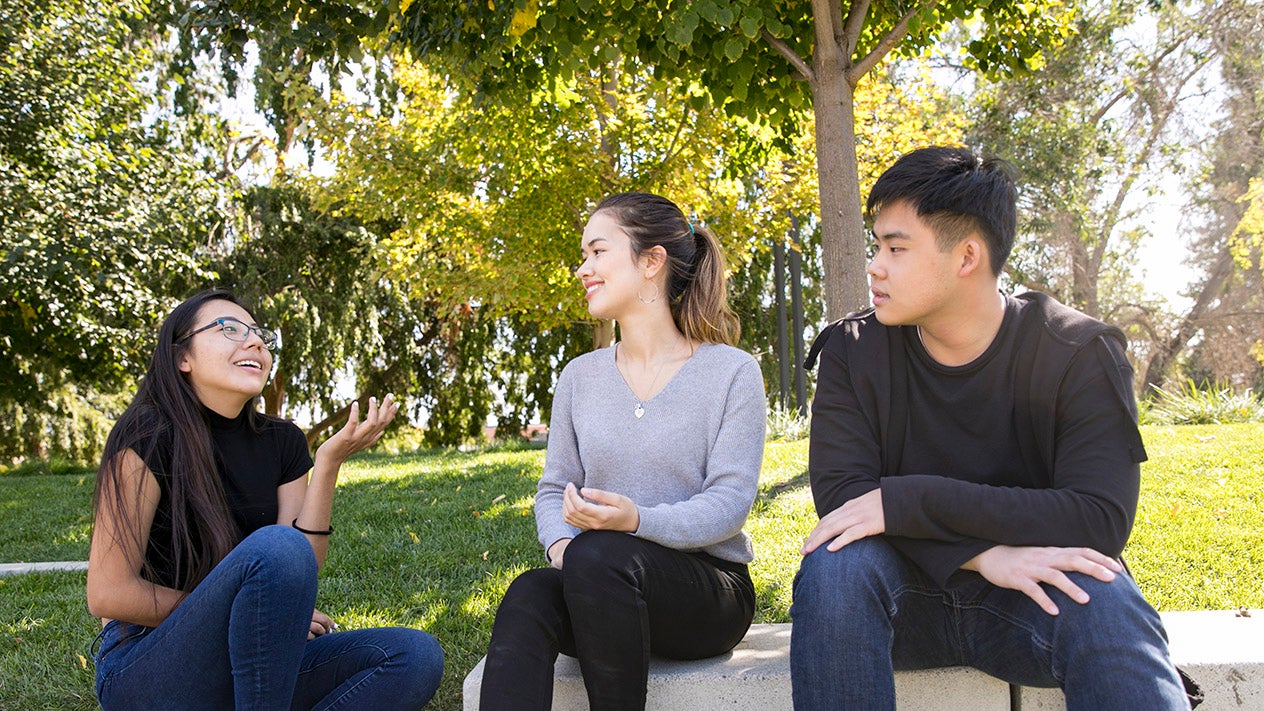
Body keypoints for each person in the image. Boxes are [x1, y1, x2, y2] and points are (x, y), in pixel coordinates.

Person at [790, 147, 1192, 710]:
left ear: (967, 257)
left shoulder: (1077, 351)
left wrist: (911, 499)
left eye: (896, 248)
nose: (875, 266)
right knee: (835, 566)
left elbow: (1098, 519)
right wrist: (984, 555)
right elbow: (845, 503)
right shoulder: (853, 350)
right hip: (897, 606)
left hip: (1032, 605)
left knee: (1101, 591)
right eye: (876, 246)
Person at [86, 288, 443, 710]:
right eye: (229, 329)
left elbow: (300, 564)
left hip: (253, 664)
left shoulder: (283, 441)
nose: (254, 341)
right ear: (183, 358)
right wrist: (248, 616)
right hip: (147, 667)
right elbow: (108, 594)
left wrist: (327, 463)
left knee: (412, 656)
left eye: (259, 334)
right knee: (277, 545)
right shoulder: (147, 435)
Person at [478, 192, 767, 711]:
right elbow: (553, 489)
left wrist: (636, 520)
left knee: (601, 553)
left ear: (651, 261)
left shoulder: (732, 372)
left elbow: (729, 504)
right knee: (529, 592)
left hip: (706, 592)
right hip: (597, 578)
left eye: (597, 252)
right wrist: (562, 549)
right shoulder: (579, 377)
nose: (582, 268)